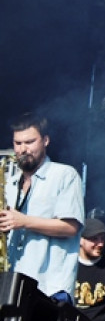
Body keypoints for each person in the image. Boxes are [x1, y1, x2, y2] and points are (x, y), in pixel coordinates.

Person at [1, 113, 85, 304]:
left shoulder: (64, 175)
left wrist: (24, 221)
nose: (23, 149)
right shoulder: (10, 183)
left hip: (49, 289)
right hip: (12, 286)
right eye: (18, 143)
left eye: (30, 142)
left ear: (45, 141)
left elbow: (71, 228)